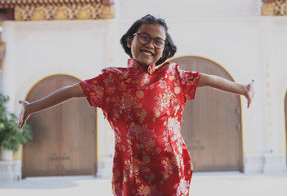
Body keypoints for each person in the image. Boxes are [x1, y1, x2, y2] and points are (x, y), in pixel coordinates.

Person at [18, 14, 254, 196]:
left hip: (170, 167)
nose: (150, 44)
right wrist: (31, 107)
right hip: (130, 169)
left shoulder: (173, 77)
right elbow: (69, 91)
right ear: (131, 39)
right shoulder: (110, 81)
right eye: (144, 37)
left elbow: (209, 79)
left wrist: (242, 89)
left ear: (164, 48)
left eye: (158, 41)